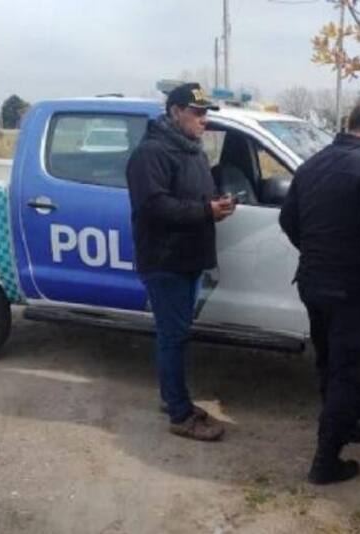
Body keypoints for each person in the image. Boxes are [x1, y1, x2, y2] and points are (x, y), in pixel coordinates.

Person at [279, 96, 360, 485]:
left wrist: (316, 250)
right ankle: (326, 462)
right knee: (349, 372)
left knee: (329, 363)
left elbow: (288, 220)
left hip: (313, 282)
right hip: (352, 290)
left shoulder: (312, 165)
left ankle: (346, 424)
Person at [126, 83, 237, 442]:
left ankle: (172, 396)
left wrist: (217, 204)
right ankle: (180, 414)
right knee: (173, 336)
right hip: (165, 259)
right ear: (175, 112)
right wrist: (205, 210)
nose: (204, 120)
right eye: (197, 112)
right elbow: (154, 206)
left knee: (176, 334)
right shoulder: (151, 154)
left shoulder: (192, 150)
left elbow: (194, 197)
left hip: (188, 258)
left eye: (206, 113)